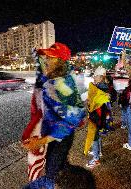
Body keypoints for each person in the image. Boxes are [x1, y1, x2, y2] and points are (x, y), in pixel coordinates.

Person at [22, 43, 86, 188]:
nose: (47, 60)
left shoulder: (60, 86)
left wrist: (41, 141)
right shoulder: (52, 76)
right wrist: (36, 54)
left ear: (61, 62)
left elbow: (73, 119)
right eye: (46, 57)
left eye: (51, 58)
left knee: (52, 171)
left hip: (60, 136)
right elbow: (41, 71)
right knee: (58, 165)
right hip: (53, 132)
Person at [84, 66, 113, 168]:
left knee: (95, 137)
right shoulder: (104, 86)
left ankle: (96, 159)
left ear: (100, 77)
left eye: (95, 76)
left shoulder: (100, 87)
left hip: (97, 116)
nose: (94, 78)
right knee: (97, 135)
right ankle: (98, 152)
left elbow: (96, 102)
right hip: (101, 116)